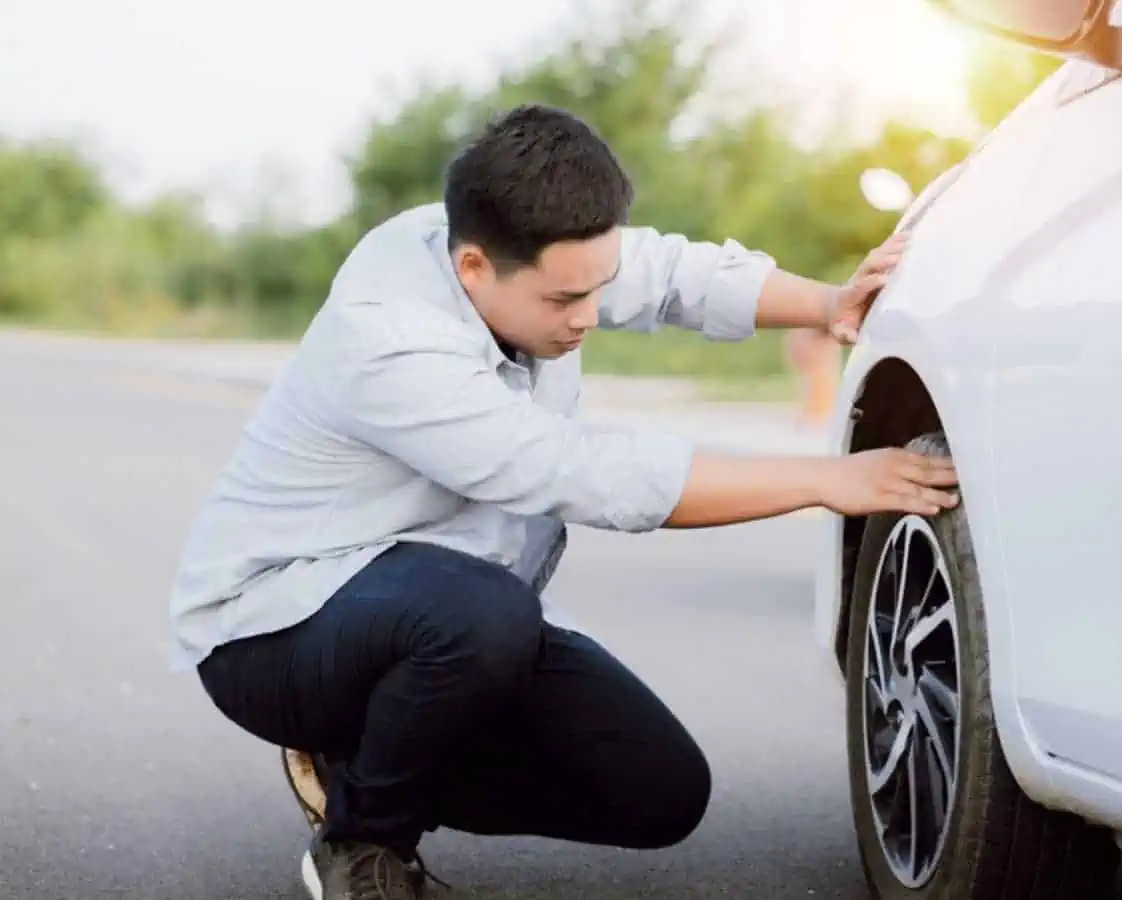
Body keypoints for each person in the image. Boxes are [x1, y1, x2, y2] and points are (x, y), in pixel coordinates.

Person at [167, 103, 958, 900]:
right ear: (474, 269)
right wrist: (824, 481)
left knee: (659, 790)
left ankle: (367, 755)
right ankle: (364, 841)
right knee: (482, 616)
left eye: (597, 291)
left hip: (447, 611)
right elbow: (579, 472)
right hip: (276, 627)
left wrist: (826, 304)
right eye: (561, 302)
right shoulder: (389, 340)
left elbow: (670, 273)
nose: (586, 318)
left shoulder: (523, 244)